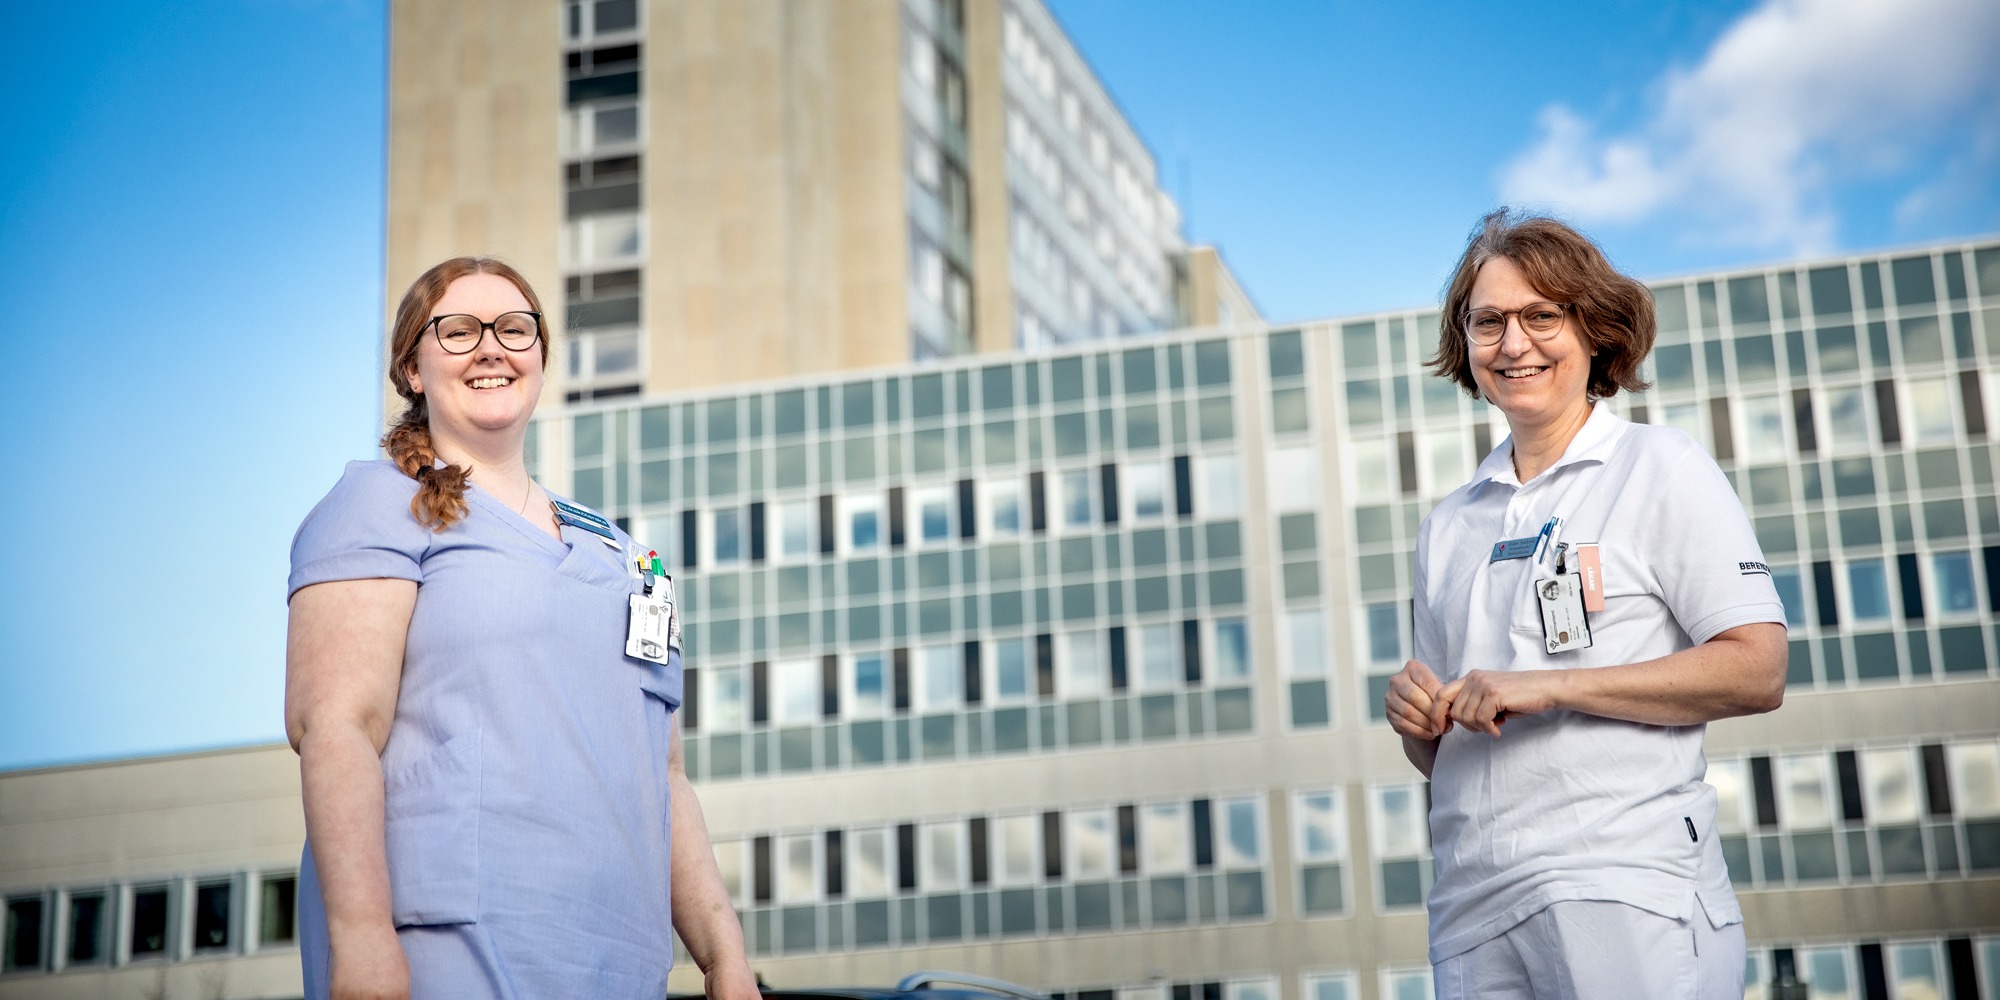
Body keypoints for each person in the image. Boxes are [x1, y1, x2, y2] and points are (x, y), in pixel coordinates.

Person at [284, 257, 757, 1000]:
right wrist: (362, 936)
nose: (491, 347)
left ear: (539, 354)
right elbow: (336, 725)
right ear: (412, 368)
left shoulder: (633, 562)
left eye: (514, 328)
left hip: (619, 963)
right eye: (458, 330)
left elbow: (665, 778)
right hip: (450, 951)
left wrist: (725, 960)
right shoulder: (377, 505)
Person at [1384, 211, 1788, 1000]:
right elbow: (1445, 755)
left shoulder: (1658, 467)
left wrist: (1551, 684)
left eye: (1542, 316)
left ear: (1594, 331)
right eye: (1489, 321)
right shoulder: (1448, 526)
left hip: (1624, 880)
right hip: (1473, 909)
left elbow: (1758, 669)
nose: (1513, 343)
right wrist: (1419, 719)